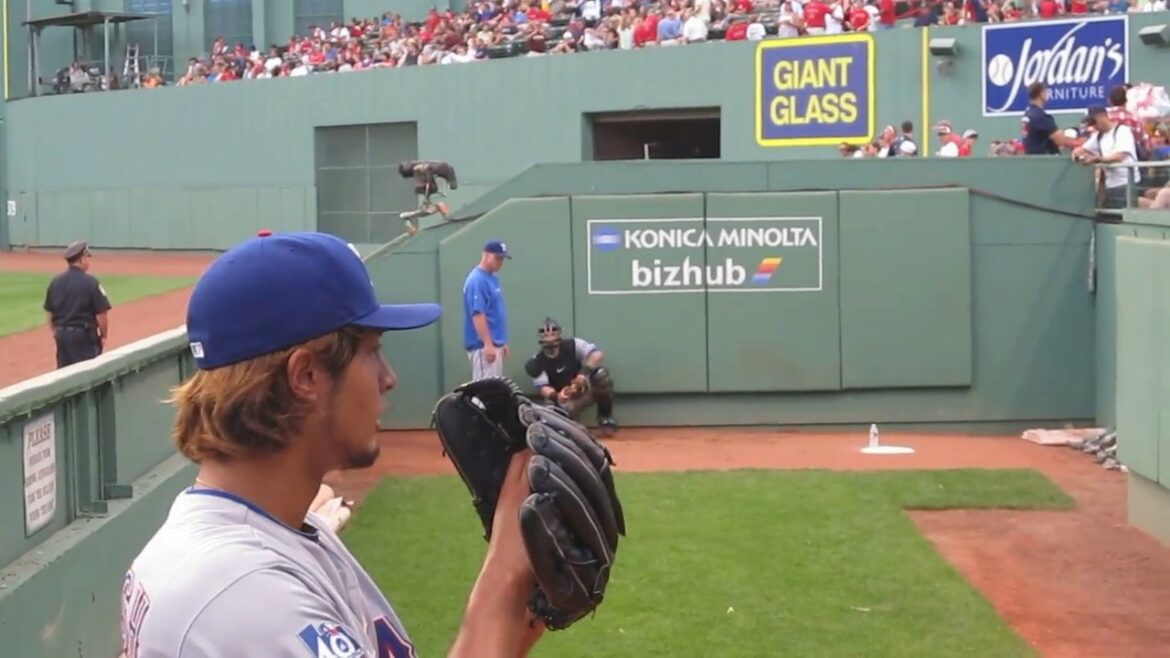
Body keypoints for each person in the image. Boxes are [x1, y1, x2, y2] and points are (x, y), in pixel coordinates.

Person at [118, 230, 545, 658]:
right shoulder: (239, 594)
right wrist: (503, 579)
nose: (389, 378)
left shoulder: (277, 537)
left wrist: (520, 610)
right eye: (372, 352)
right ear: (306, 375)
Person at [524, 318, 619, 437]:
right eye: (546, 335)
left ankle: (605, 417)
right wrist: (558, 396)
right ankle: (570, 428)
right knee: (560, 423)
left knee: (601, 375)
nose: (550, 338)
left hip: (584, 390)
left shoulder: (573, 345)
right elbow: (543, 388)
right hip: (563, 400)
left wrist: (582, 375)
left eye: (553, 334)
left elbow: (597, 354)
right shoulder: (536, 362)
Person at [43, 240, 111, 368]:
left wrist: (56, 331)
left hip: (61, 336)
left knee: (65, 373)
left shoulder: (55, 282)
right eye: (87, 257)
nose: (89, 261)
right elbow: (101, 314)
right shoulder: (91, 282)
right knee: (88, 372)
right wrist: (104, 336)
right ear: (81, 259)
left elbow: (49, 312)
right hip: (83, 337)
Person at [1072, 105, 1141, 209]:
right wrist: (1077, 154)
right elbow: (1082, 149)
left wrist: (1097, 159)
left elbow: (1119, 156)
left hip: (1128, 183)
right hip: (1111, 185)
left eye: (1093, 122)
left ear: (1102, 117)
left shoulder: (1122, 130)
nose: (1093, 126)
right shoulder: (1098, 136)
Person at [463, 240, 511, 381]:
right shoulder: (477, 280)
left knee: (493, 388)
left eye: (502, 259)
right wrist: (487, 344)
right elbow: (478, 314)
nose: (500, 262)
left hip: (494, 343)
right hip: (482, 346)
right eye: (497, 258)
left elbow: (494, 312)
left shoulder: (492, 278)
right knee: (485, 389)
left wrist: (500, 342)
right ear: (486, 255)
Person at [397, 160, 458, 236]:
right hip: (439, 174)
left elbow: (428, 174)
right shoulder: (418, 168)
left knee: (439, 204)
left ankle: (449, 218)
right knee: (432, 206)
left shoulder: (419, 168)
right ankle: (411, 227)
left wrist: (427, 191)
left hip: (443, 175)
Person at [1022, 82, 1072, 155]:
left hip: (1031, 157)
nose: (1047, 94)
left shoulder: (1028, 113)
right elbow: (1060, 140)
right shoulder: (1040, 116)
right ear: (1041, 94)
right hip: (1044, 159)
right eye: (1046, 92)